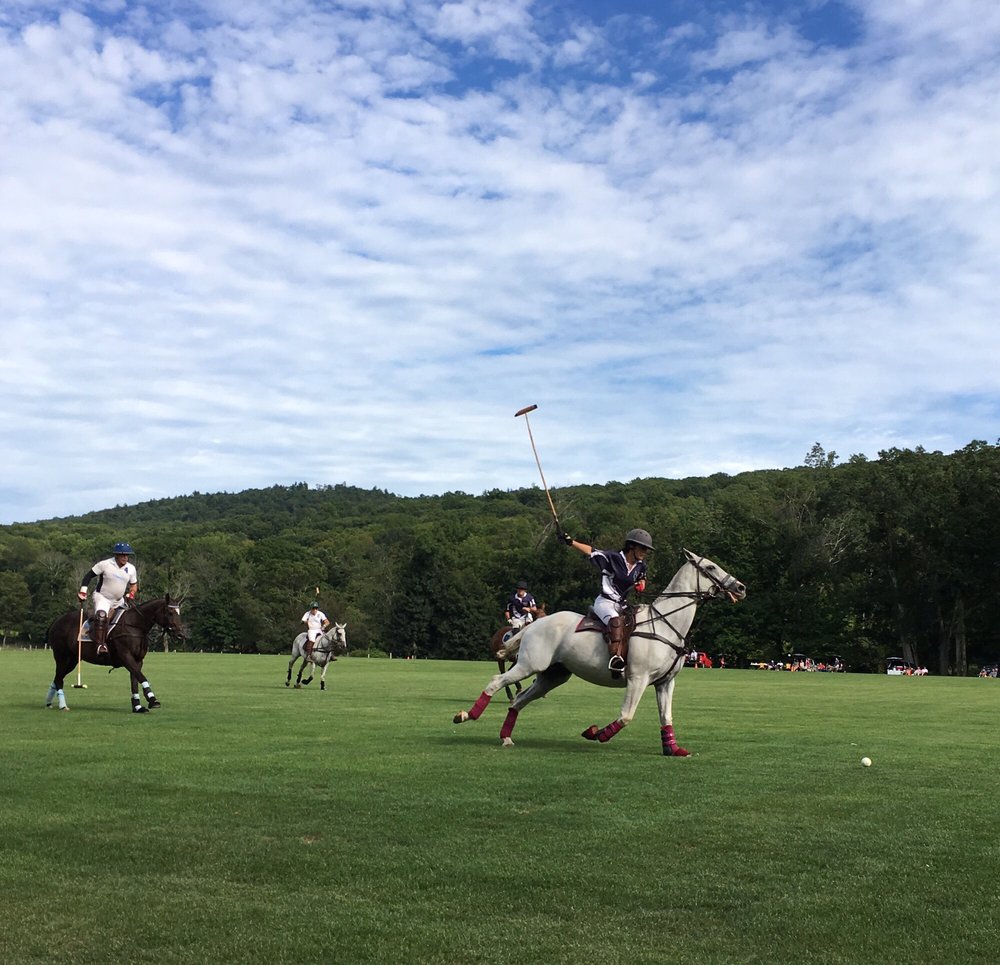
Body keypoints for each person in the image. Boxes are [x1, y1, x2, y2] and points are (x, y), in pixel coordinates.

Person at [559, 527, 651, 675]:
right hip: (605, 602)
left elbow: (642, 578)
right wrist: (571, 542)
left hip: (622, 604)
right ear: (631, 546)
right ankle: (615, 658)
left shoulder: (641, 565)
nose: (645, 552)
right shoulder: (612, 558)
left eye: (647, 549)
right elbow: (590, 550)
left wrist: (641, 584)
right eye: (642, 548)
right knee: (615, 621)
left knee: (638, 620)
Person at [78, 542, 139, 655]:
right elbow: (88, 576)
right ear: (116, 555)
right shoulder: (105, 564)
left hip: (119, 600)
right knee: (101, 616)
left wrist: (131, 594)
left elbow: (134, 585)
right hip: (103, 597)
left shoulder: (131, 569)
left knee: (131, 618)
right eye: (122, 555)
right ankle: (100, 645)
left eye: (127, 555)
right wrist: (83, 591)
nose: (125, 557)